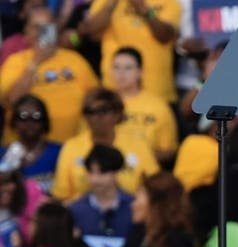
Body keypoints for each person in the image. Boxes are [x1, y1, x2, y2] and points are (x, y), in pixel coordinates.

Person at [0, 6, 100, 144]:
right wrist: (36, 61)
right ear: (26, 32)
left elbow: (95, 96)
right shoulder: (16, 61)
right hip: (27, 147)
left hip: (70, 145)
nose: (42, 32)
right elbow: (12, 100)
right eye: (37, 27)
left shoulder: (74, 59)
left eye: (47, 26)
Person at [52, 87, 160, 202]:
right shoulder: (71, 147)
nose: (96, 117)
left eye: (103, 111)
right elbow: (61, 196)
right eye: (90, 112)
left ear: (117, 114)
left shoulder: (138, 145)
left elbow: (155, 185)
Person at [78, 0, 181, 103]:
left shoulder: (169, 2)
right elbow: (91, 32)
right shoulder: (103, 1)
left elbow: (165, 36)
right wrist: (111, 4)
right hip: (114, 90)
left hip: (156, 89)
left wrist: (145, 11)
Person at [110, 46, 178, 166]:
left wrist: (141, 158)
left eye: (128, 68)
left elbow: (169, 150)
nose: (121, 73)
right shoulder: (102, 103)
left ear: (140, 72)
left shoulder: (158, 106)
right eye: (116, 67)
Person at [1, 94, 60, 193]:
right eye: (23, 116)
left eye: (36, 116)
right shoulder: (3, 153)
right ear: (14, 122)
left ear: (44, 122)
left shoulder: (59, 152)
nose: (29, 122)